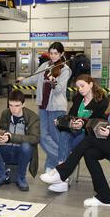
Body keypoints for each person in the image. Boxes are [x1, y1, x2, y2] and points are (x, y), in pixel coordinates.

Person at [40, 74, 110, 206]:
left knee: (90, 139)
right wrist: (104, 129)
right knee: (89, 153)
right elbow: (109, 125)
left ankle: (62, 172)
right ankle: (105, 197)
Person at [48, 74, 109, 193]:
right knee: (64, 135)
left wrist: (83, 124)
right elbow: (71, 116)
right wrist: (67, 122)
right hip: (74, 133)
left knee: (65, 144)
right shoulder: (78, 99)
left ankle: (61, 176)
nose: (80, 89)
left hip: (89, 136)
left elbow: (101, 123)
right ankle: (61, 175)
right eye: (78, 87)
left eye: (82, 86)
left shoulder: (102, 101)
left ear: (91, 84)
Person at [17, 42, 71, 172]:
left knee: (55, 137)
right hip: (43, 106)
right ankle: (62, 160)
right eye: (51, 53)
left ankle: (51, 166)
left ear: (62, 54)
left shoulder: (65, 70)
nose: (53, 56)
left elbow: (58, 90)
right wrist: (23, 80)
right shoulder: (45, 65)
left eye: (56, 53)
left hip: (57, 108)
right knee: (42, 136)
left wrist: (53, 82)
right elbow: (34, 78)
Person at [0, 89, 40, 191]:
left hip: (21, 152)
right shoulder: (5, 113)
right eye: (10, 105)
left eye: (17, 106)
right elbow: (2, 129)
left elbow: (35, 138)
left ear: (23, 104)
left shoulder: (33, 117)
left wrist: (11, 137)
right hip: (6, 149)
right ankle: (2, 175)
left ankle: (21, 177)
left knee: (27, 146)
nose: (13, 109)